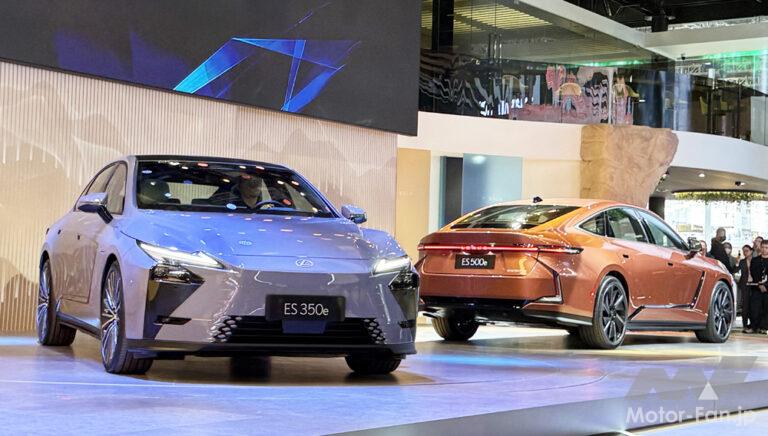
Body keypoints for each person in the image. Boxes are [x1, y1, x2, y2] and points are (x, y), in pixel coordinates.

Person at [748, 240, 768, 335]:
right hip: (756, 287)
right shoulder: (755, 260)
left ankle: (764, 327)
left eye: (766, 248)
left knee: (766, 308)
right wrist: (760, 284)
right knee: (754, 308)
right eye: (763, 247)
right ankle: (753, 327)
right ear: (760, 247)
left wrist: (766, 285)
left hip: (767, 289)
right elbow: (753, 273)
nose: (764, 249)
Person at [738, 245, 754, 333]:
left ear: (751, 251)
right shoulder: (742, 261)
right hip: (745, 285)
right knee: (745, 306)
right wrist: (737, 263)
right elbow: (735, 270)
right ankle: (744, 325)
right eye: (743, 251)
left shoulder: (755, 260)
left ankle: (753, 325)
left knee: (753, 305)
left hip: (754, 285)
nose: (745, 252)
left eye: (747, 250)